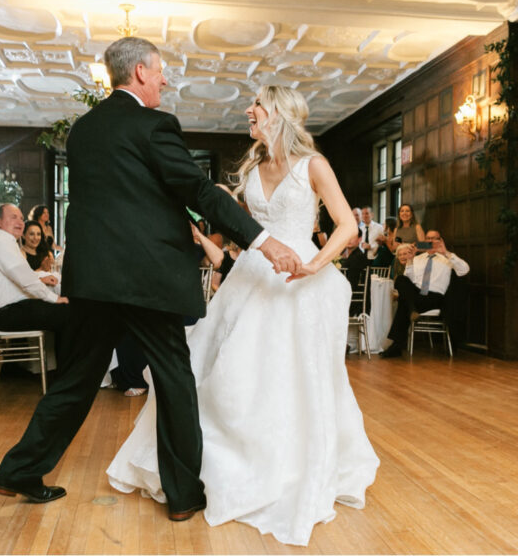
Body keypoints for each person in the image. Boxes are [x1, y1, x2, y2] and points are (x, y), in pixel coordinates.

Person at [0, 37, 301, 517]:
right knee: (175, 379)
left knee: (75, 381)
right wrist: (264, 240)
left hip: (92, 280)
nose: (164, 80)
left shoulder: (83, 131)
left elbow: (123, 202)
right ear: (138, 72)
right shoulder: (155, 125)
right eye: (159, 72)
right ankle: (182, 496)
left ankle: (17, 471)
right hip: (146, 281)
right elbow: (196, 188)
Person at [107, 83, 379, 546]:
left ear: (277, 114)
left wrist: (316, 263)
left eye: (257, 105)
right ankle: (213, 466)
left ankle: (282, 467)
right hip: (251, 277)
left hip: (297, 282)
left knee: (285, 376)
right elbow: (240, 225)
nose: (249, 110)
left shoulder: (313, 165)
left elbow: (347, 225)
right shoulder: (254, 164)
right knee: (228, 369)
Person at [0, 205, 69, 335]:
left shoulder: (3, 241)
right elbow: (25, 280)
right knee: (70, 313)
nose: (20, 222)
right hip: (5, 312)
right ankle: (72, 355)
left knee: (68, 312)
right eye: (13, 217)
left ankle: (65, 355)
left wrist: (40, 279)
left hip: (8, 309)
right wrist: (54, 298)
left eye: (21, 218)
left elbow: (22, 275)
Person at [383, 230, 469, 358]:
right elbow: (408, 281)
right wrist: (410, 260)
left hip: (435, 297)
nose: (430, 241)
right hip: (417, 295)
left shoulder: (447, 259)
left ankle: (397, 345)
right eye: (428, 238)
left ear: (440, 241)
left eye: (434, 238)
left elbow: (464, 270)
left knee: (404, 303)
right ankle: (412, 310)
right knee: (401, 279)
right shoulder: (417, 259)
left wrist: (445, 252)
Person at [389, 203, 425, 277]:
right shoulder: (396, 229)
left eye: (407, 211)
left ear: (411, 214)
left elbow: (426, 246)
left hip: (413, 259)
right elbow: (393, 249)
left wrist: (411, 246)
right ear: (399, 215)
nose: (404, 213)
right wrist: (396, 246)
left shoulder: (417, 227)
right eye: (402, 211)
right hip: (399, 259)